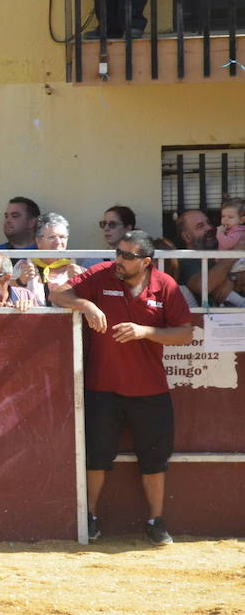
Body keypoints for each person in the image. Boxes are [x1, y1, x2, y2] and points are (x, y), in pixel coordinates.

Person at [51, 229, 193, 544]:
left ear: (145, 261)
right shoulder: (102, 275)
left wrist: (145, 331)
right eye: (118, 252)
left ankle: (156, 521)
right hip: (103, 388)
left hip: (150, 390)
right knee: (97, 455)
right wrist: (85, 305)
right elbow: (57, 295)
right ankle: (89, 517)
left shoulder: (164, 285)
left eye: (127, 256)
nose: (119, 260)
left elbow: (185, 333)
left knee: (154, 459)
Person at [174, 209, 243, 307]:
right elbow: (203, 286)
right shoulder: (186, 260)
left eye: (208, 223)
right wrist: (235, 253)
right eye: (200, 226)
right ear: (187, 237)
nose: (209, 228)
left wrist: (233, 278)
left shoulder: (225, 248)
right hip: (211, 320)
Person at [15, 212, 85, 306]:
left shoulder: (78, 270)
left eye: (62, 237)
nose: (58, 242)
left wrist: (81, 283)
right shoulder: (23, 267)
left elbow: (91, 301)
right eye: (52, 237)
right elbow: (6, 296)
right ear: (38, 241)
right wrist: (20, 281)